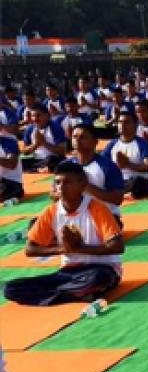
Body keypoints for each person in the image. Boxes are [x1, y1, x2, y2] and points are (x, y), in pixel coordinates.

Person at [3, 161, 124, 305]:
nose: (61, 187)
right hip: (68, 273)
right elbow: (30, 249)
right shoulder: (52, 211)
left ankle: (66, 293)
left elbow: (118, 246)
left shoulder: (97, 208)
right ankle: (72, 295)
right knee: (11, 288)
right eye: (58, 183)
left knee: (100, 277)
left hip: (100, 268)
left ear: (82, 184)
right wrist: (62, 249)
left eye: (67, 182)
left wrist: (80, 249)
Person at [66, 125, 125, 218]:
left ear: (95, 142)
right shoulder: (65, 165)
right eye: (75, 137)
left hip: (104, 216)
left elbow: (118, 199)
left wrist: (85, 186)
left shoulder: (107, 166)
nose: (77, 140)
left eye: (83, 137)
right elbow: (53, 194)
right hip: (76, 215)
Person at [103, 111, 148, 199]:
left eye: (126, 122)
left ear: (135, 125)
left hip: (138, 180)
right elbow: (102, 164)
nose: (122, 125)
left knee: (140, 185)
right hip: (119, 180)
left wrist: (127, 164)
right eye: (120, 122)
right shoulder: (112, 144)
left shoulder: (142, 144)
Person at [20, 104, 68, 173]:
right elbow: (25, 152)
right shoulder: (30, 129)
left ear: (47, 116)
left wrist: (44, 143)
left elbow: (62, 152)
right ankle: (38, 169)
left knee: (51, 160)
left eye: (38, 115)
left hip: (53, 159)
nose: (35, 119)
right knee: (19, 161)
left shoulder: (56, 128)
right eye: (33, 116)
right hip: (37, 160)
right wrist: (35, 145)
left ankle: (36, 169)